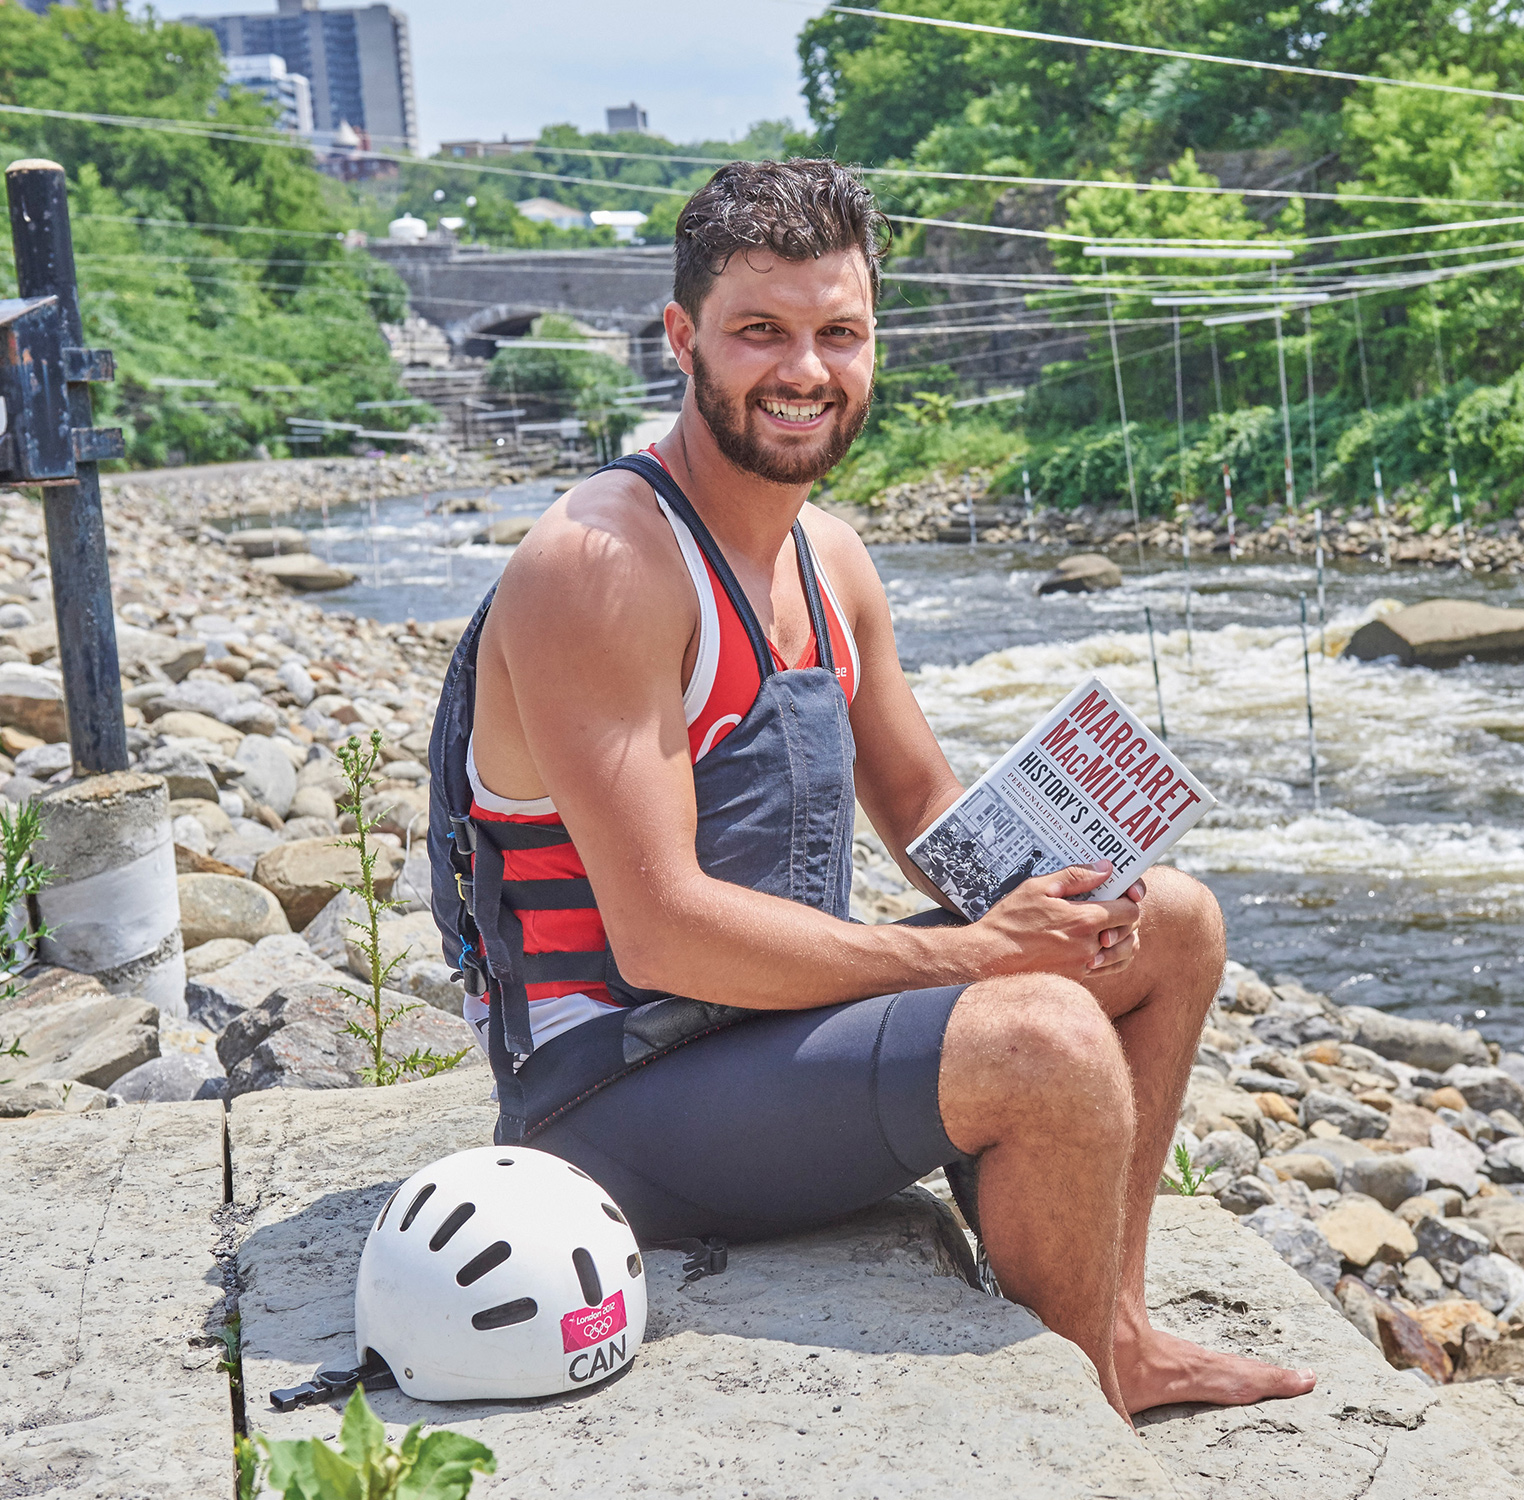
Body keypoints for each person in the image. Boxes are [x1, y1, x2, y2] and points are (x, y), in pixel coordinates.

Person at [439, 158, 1314, 1422]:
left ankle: (1112, 1328)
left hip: (762, 1030)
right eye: (759, 332)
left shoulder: (828, 556)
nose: (803, 369)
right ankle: (1076, 1413)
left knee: (1170, 919)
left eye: (836, 334)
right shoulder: (604, 565)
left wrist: (1061, 890)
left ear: (871, 346)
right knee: (1044, 1036)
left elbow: (921, 813)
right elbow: (662, 928)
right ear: (683, 338)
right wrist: (981, 963)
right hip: (613, 1092)